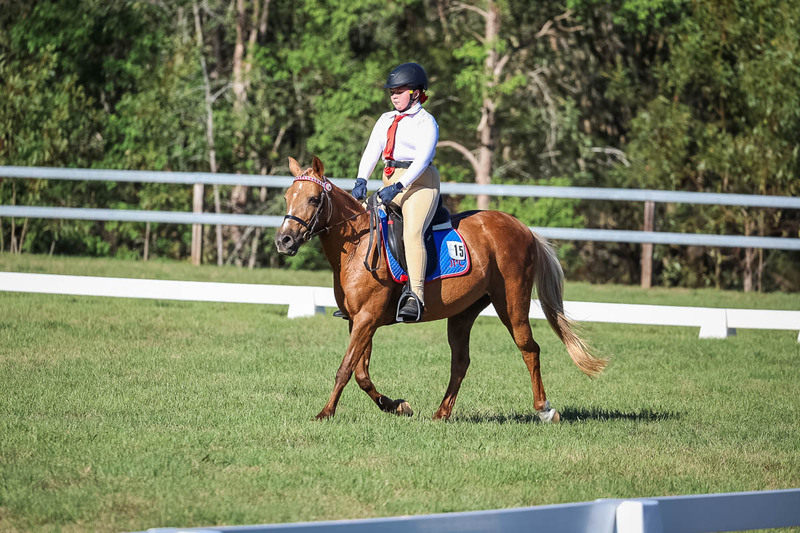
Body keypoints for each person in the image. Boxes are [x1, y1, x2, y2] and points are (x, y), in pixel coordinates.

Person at [351, 62, 440, 321]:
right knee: (365, 226)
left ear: (415, 93)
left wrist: (399, 186)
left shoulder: (426, 122)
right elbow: (372, 150)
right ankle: (362, 292)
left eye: (399, 91)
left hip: (420, 183)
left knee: (412, 233)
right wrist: (361, 179)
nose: (394, 96)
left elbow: (422, 160)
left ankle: (417, 295)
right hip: (389, 179)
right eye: (392, 92)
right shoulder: (386, 119)